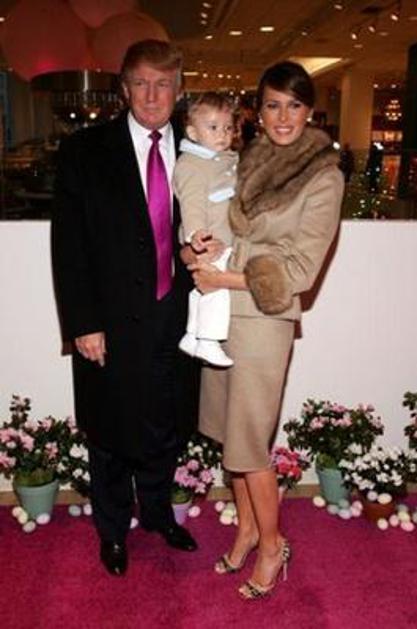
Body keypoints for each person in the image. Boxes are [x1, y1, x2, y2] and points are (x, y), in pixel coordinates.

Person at [188, 61, 344, 600]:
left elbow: (299, 271)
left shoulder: (324, 177)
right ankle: (247, 531)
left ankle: (274, 546)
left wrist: (225, 275)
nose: (282, 117)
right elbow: (223, 223)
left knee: (249, 445)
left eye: (294, 106)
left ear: (309, 111)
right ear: (258, 110)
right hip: (221, 312)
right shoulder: (247, 157)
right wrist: (200, 245)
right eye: (273, 105)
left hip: (263, 319)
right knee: (226, 435)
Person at [52, 39, 199, 577]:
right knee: (110, 431)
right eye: (141, 83)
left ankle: (158, 515)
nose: (152, 95)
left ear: (178, 90)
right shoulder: (84, 151)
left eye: (163, 84)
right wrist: (83, 323)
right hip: (109, 321)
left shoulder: (202, 150)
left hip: (178, 316)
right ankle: (113, 531)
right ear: (123, 88)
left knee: (168, 424)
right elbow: (68, 246)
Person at [174, 92, 238, 368]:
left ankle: (192, 335)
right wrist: (197, 235)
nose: (222, 134)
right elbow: (191, 203)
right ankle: (209, 341)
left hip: (218, 237)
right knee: (216, 288)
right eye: (213, 127)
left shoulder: (223, 159)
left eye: (227, 127)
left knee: (200, 289)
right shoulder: (192, 165)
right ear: (192, 132)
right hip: (210, 240)